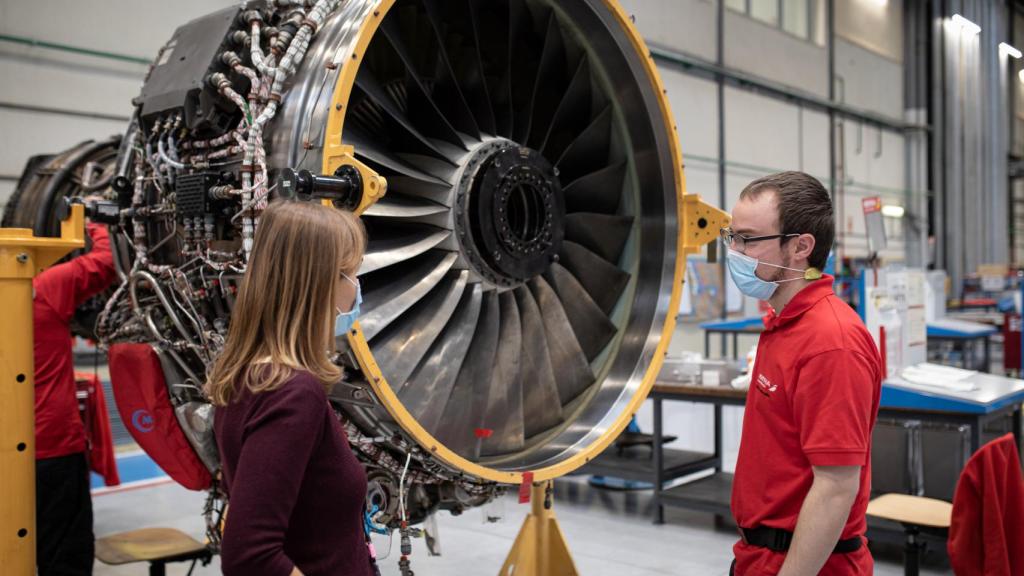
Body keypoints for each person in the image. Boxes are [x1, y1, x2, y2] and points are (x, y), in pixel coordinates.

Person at [724, 172, 881, 575]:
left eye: (747, 239)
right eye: (732, 238)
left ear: (800, 246)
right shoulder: (785, 324)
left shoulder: (831, 343)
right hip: (761, 556)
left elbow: (835, 486)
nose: (735, 252)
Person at [207, 200, 372, 576]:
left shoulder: (248, 377)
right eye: (351, 274)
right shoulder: (292, 393)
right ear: (318, 285)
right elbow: (251, 556)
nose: (356, 290)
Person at [33, 199, 118, 575]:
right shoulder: (44, 289)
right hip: (51, 449)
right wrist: (93, 219)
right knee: (63, 554)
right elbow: (107, 262)